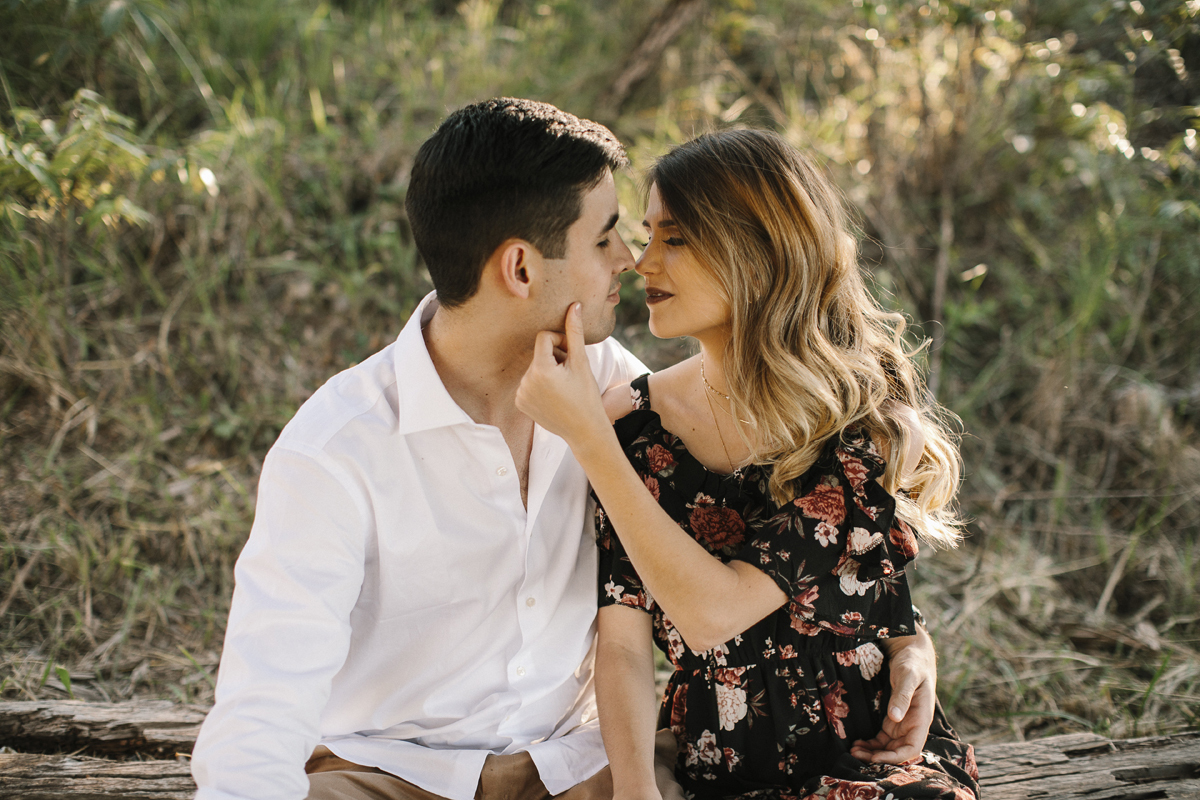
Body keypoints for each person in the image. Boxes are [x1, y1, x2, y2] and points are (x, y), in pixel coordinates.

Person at [190, 101, 941, 800]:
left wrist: (907, 636)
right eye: (608, 235)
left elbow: (781, 531)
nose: (631, 260)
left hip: (581, 767)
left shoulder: (621, 397)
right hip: (395, 772)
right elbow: (261, 712)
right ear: (521, 269)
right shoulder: (339, 449)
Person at [516, 129, 980, 800]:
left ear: (757, 253)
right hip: (721, 765)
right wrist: (636, 787)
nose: (643, 263)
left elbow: (715, 614)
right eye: (648, 236)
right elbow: (621, 643)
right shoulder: (633, 429)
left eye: (674, 239)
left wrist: (588, 437)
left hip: (871, 761)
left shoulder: (854, 418)